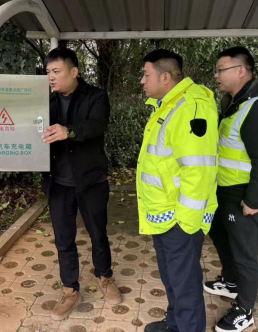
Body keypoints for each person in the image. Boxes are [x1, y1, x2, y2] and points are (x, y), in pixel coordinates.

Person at [136, 49, 219, 332]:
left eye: (146, 75)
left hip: (180, 219)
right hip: (165, 214)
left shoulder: (191, 107)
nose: (142, 81)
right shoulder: (169, 105)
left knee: (185, 284)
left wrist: (186, 223)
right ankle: (175, 324)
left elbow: (199, 170)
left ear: (165, 77)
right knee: (172, 277)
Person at [42, 47, 122, 321]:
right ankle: (70, 290)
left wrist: (70, 131)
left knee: (98, 233)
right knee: (64, 239)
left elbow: (97, 125)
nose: (51, 77)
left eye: (56, 71)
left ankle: (105, 277)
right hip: (58, 183)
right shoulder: (46, 102)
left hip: (91, 181)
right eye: (48, 72)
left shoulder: (96, 97)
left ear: (74, 71)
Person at [205, 47, 258, 332]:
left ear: (240, 71)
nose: (216, 75)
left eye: (220, 70)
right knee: (221, 237)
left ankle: (244, 309)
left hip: (242, 194)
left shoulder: (257, 107)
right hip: (222, 188)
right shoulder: (234, 102)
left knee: (244, 252)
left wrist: (254, 200)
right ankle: (231, 282)